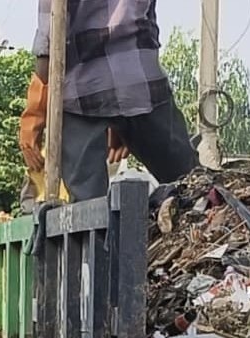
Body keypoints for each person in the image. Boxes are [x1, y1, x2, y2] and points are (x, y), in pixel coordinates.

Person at [30, 0, 197, 202]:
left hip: (82, 94)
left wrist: (35, 112)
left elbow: (50, 38)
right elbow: (149, 23)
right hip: (141, 84)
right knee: (192, 186)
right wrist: (120, 110)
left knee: (89, 211)